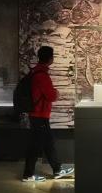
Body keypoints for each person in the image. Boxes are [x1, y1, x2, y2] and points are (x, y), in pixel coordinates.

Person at [22, 46, 74, 182]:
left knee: (47, 143)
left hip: (37, 114)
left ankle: (57, 170)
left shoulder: (36, 72)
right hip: (39, 115)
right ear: (50, 58)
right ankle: (28, 175)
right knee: (36, 145)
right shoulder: (42, 75)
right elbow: (51, 96)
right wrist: (56, 92)